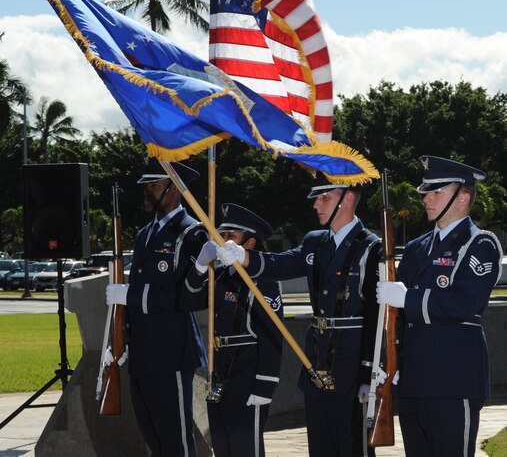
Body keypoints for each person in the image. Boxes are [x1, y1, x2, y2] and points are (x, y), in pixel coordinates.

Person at [215, 178, 382, 457]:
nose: (316, 204)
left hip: (353, 362)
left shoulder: (371, 248)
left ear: (348, 199)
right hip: (316, 360)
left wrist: (369, 373)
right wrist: (243, 256)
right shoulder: (315, 242)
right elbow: (280, 264)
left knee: (353, 445)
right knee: (321, 444)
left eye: (324, 197)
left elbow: (377, 317)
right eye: (316, 198)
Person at [377, 156, 503, 457]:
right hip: (413, 380)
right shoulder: (418, 247)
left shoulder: (479, 244)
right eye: (426, 191)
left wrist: (407, 298)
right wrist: (387, 363)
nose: (426, 197)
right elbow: (396, 319)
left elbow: (464, 303)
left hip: (453, 380)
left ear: (462, 197)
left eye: (436, 191)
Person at [105, 158, 207, 457]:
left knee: (176, 439)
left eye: (154, 185)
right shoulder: (145, 233)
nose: (147, 191)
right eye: (145, 185)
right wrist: (121, 338)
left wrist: (132, 295)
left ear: (174, 189)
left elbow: (187, 298)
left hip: (171, 352)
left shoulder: (191, 234)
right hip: (143, 352)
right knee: (154, 438)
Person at [180, 203, 283, 457]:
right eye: (221, 235)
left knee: (245, 448)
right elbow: (187, 301)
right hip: (219, 370)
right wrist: (201, 267)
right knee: (223, 445)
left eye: (230, 236)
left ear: (249, 243)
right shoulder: (221, 275)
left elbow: (272, 333)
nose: (222, 241)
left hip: (247, 371)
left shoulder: (263, 279)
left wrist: (265, 384)